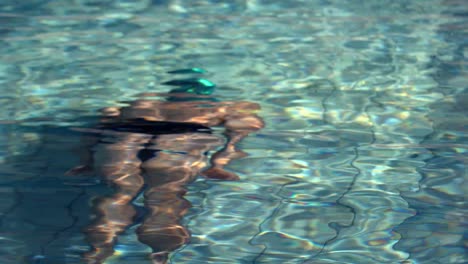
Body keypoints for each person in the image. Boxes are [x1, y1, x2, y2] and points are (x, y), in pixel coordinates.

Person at [67, 71, 264, 264]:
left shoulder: (142, 102)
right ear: (207, 94)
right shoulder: (223, 107)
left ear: (172, 91)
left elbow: (101, 123)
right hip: (184, 135)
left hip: (127, 131)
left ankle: (97, 251)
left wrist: (87, 161)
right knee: (165, 195)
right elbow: (242, 130)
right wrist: (219, 162)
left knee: (119, 194)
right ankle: (160, 255)